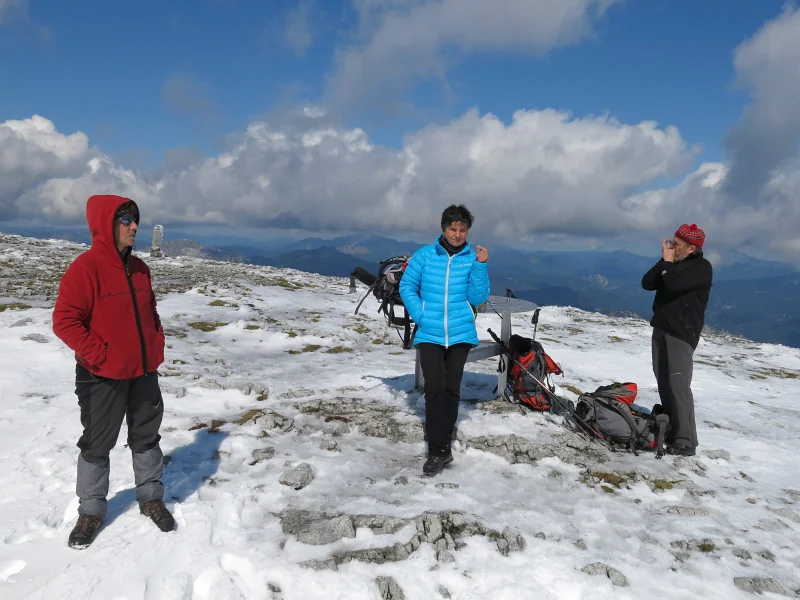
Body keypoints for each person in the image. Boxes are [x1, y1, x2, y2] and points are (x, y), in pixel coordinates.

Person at [53, 194, 174, 549]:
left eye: (135, 219)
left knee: (146, 436)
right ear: (106, 223)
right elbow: (65, 321)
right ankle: (90, 511)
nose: (134, 226)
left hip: (143, 372)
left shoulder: (140, 269)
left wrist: (156, 343)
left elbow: (150, 313)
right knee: (97, 443)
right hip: (100, 376)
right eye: (125, 219)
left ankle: (151, 498)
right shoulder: (86, 269)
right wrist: (100, 355)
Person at [399, 204, 490, 475]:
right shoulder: (425, 255)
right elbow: (407, 285)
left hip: (460, 333)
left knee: (451, 389)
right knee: (435, 387)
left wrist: (481, 267)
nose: (457, 234)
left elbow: (478, 297)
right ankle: (437, 450)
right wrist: (420, 314)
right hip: (430, 332)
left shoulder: (471, 258)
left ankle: (443, 438)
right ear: (443, 229)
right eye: (453, 229)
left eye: (462, 229)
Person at [641, 223, 713, 457]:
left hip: (681, 333)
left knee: (677, 384)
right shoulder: (673, 263)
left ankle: (686, 440)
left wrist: (668, 263)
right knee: (663, 380)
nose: (672, 247)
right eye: (672, 242)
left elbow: (672, 285)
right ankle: (671, 430)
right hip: (662, 328)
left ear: (692, 248)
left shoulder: (701, 268)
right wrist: (664, 260)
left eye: (677, 244)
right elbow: (647, 283)